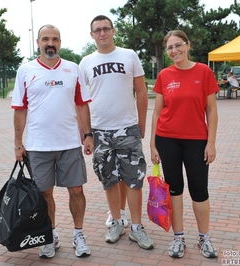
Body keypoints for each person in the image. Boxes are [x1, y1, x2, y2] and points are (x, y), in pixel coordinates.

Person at [11, 24, 94, 258]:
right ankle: (50, 236)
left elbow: (81, 104)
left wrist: (88, 135)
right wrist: (18, 144)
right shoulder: (25, 71)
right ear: (38, 42)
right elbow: (20, 109)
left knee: (76, 190)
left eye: (55, 39)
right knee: (44, 193)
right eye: (45, 39)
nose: (50, 43)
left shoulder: (72, 69)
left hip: (69, 143)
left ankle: (79, 235)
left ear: (60, 42)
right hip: (38, 146)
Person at [79, 15, 154, 250]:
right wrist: (87, 134)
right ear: (91, 35)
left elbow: (141, 91)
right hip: (101, 131)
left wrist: (141, 123)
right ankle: (117, 222)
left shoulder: (129, 55)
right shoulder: (85, 62)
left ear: (113, 31)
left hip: (127, 128)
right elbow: (81, 101)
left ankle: (136, 228)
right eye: (97, 30)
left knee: (134, 180)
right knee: (109, 179)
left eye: (106, 29)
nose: (102, 33)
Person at [150, 30, 219, 259]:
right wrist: (152, 144)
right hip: (167, 139)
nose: (174, 51)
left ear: (188, 45)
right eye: (170, 47)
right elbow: (157, 112)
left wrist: (211, 143)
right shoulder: (164, 75)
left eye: (178, 45)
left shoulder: (204, 72)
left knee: (199, 191)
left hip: (197, 141)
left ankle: (204, 238)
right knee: (174, 190)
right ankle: (178, 238)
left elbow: (211, 110)